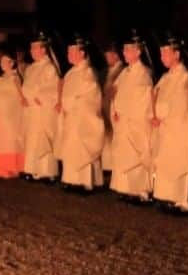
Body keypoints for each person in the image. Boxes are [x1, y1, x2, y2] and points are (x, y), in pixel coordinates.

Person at [150, 33, 188, 211]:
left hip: (179, 127)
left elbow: (183, 104)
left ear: (177, 54)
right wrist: (155, 115)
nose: (162, 57)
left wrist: (164, 115)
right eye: (161, 54)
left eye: (166, 53)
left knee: (179, 162)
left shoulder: (185, 77)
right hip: (165, 127)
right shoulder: (165, 78)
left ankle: (182, 201)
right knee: (165, 161)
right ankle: (166, 197)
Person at [55, 35, 105, 191]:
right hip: (70, 118)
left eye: (72, 52)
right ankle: (71, 179)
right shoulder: (71, 73)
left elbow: (92, 96)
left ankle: (85, 182)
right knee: (71, 148)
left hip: (81, 119)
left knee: (82, 148)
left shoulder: (88, 72)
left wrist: (72, 104)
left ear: (82, 53)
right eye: (68, 52)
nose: (68, 55)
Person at [109, 32, 154, 200]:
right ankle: (125, 189)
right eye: (124, 49)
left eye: (129, 49)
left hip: (133, 123)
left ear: (138, 52)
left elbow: (142, 101)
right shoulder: (124, 73)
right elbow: (115, 92)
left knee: (135, 155)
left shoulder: (143, 74)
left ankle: (140, 191)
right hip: (122, 122)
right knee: (123, 154)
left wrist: (126, 114)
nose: (125, 53)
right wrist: (114, 110)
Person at [21, 31, 61, 181]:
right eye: (31, 48)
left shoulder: (49, 67)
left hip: (42, 109)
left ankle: (47, 172)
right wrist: (25, 97)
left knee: (43, 140)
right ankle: (31, 169)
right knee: (32, 140)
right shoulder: (31, 68)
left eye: (35, 48)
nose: (31, 51)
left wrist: (41, 97)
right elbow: (26, 87)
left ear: (43, 50)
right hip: (32, 110)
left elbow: (52, 87)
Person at [0, 53, 25, 178]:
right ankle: (0, 167)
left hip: (9, 115)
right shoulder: (0, 79)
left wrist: (4, 102)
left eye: (4, 61)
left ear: (11, 63)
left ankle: (13, 167)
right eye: (1, 62)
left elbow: (20, 96)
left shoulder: (15, 78)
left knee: (9, 140)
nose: (2, 64)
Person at [100, 43, 125, 176]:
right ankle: (107, 166)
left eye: (109, 54)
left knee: (114, 137)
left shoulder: (121, 70)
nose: (107, 57)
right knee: (107, 138)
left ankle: (113, 167)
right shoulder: (106, 71)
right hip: (105, 105)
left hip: (113, 106)